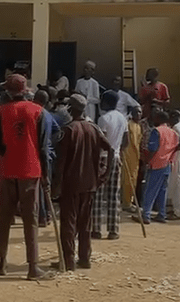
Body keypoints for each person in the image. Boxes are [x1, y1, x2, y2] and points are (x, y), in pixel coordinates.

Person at [0, 74, 51, 280]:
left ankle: (2, 262)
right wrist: (46, 174)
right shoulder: (38, 111)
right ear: (25, 90)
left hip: (9, 168)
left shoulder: (1, 112)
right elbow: (43, 147)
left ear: (8, 91)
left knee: (4, 218)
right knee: (31, 219)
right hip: (31, 170)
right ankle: (33, 266)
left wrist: (11, 150)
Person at [53, 94, 113, 270]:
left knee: (69, 223)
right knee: (85, 223)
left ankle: (68, 261)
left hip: (71, 184)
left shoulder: (69, 130)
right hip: (90, 184)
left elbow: (61, 163)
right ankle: (85, 258)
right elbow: (110, 148)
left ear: (71, 109)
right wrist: (105, 174)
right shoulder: (94, 129)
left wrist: (56, 185)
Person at [133, 110, 180, 224]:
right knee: (162, 191)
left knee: (150, 189)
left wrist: (147, 161)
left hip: (156, 164)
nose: (153, 120)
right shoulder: (173, 132)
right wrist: (171, 151)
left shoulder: (157, 131)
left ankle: (146, 215)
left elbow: (153, 149)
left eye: (155, 118)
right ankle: (161, 214)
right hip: (167, 164)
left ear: (159, 119)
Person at [92, 90, 128, 239]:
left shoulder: (103, 119)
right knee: (113, 195)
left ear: (106, 102)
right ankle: (114, 230)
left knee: (98, 195)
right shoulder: (123, 118)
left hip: (103, 158)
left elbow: (102, 142)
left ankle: (96, 228)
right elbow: (126, 141)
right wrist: (118, 150)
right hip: (116, 157)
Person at [32, 90, 60, 226]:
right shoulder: (48, 115)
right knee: (46, 185)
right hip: (49, 153)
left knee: (40, 186)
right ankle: (47, 214)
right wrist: (51, 142)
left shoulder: (37, 113)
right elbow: (57, 130)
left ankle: (42, 216)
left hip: (40, 153)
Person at [121, 106, 142, 211]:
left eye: (140, 112)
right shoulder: (128, 125)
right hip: (128, 155)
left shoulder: (138, 126)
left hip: (135, 156)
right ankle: (126, 203)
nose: (139, 114)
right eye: (137, 112)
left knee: (134, 179)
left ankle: (130, 201)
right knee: (127, 179)